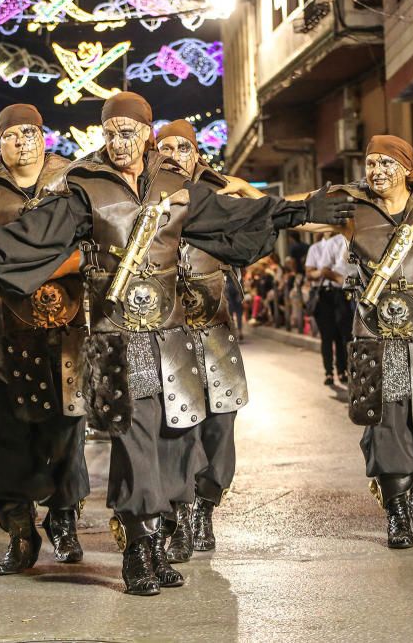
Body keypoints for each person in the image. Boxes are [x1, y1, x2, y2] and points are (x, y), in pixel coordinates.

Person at [0, 91, 353, 595]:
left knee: (178, 446)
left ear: (146, 134)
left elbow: (230, 217)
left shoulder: (176, 186)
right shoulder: (84, 187)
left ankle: (159, 538)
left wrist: (299, 209)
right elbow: (35, 232)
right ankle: (135, 549)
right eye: (108, 133)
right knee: (135, 445)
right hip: (115, 339)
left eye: (126, 133)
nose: (117, 142)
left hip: (173, 338)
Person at [0, 104, 90, 574]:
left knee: (66, 434)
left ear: (44, 136)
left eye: (30, 132)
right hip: (1, 336)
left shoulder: (75, 180)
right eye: (12, 135)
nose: (22, 141)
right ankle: (20, 533)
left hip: (65, 335)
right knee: (5, 440)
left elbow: (96, 245)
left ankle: (64, 521)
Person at [304, 136, 413, 548]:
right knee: (384, 426)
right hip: (373, 337)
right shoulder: (354, 210)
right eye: (370, 162)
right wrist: (251, 196)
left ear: (407, 168)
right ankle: (397, 511)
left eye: (384, 163)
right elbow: (302, 213)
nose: (375, 171)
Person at [156, 119, 241, 559]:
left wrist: (235, 185)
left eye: (182, 147)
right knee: (176, 427)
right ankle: (182, 515)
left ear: (196, 155)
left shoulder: (218, 194)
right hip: (164, 334)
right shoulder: (144, 196)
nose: (172, 154)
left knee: (220, 430)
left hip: (215, 332)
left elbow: (260, 209)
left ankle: (205, 506)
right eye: (164, 146)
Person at [305, 232, 352, 385]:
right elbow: (310, 273)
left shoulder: (342, 240)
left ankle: (342, 370)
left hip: (339, 293)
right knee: (327, 336)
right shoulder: (316, 248)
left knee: (341, 334)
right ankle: (328, 372)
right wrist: (324, 273)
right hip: (323, 293)